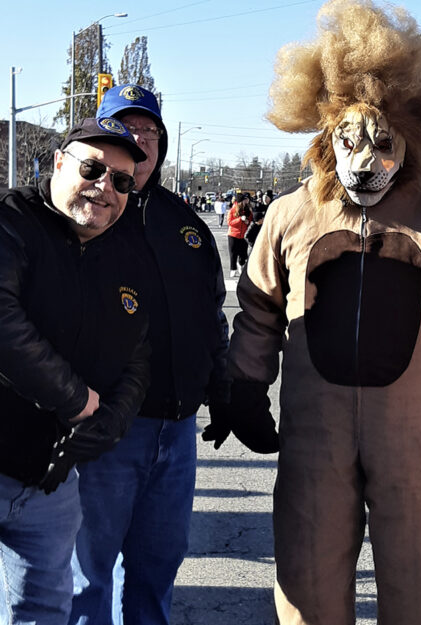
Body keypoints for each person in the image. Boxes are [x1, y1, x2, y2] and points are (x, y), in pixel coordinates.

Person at [207, 1, 421, 623]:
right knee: (308, 594)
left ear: (411, 141)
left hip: (420, 449)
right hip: (316, 443)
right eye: (351, 139)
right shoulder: (289, 214)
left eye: (384, 143)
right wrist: (243, 385)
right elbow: (259, 307)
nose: (366, 159)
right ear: (325, 137)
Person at [69, 84, 230, 625]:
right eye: (126, 127)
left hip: (177, 431)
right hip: (109, 431)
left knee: (156, 568)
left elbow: (211, 315)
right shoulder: (83, 220)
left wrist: (224, 387)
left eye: (150, 131)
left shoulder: (186, 225)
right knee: (87, 577)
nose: (139, 139)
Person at [0, 117, 150, 625]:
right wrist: (81, 403)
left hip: (49, 484)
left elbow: (138, 350)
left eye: (123, 180)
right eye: (93, 168)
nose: (106, 187)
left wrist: (114, 418)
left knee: (43, 610)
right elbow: (3, 324)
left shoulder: (120, 252)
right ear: (60, 162)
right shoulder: (12, 221)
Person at [227, 192, 252, 278]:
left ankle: (240, 264)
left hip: (243, 235)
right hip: (233, 235)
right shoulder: (232, 210)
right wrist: (239, 219)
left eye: (247, 200)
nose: (246, 202)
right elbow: (230, 222)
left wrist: (247, 222)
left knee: (243, 254)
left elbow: (251, 221)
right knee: (233, 253)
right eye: (244, 200)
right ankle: (233, 269)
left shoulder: (248, 210)